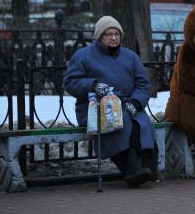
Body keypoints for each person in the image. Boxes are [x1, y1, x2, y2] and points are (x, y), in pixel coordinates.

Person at [64, 15, 157, 187]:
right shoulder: (83, 56)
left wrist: (136, 102)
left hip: (128, 105)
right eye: (108, 34)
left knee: (143, 123)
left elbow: (144, 85)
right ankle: (132, 169)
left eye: (117, 34)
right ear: (99, 36)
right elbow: (70, 82)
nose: (114, 37)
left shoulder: (131, 57)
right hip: (95, 107)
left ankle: (144, 168)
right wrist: (93, 85)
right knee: (122, 121)